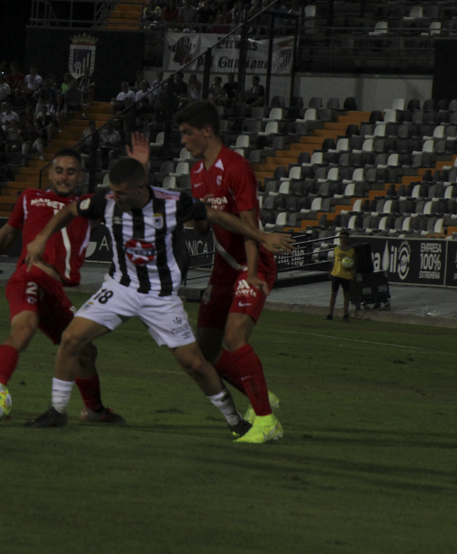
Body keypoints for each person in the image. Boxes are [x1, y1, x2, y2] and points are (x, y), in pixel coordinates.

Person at [23, 157, 292, 440]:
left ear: (141, 188)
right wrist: (42, 237)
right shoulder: (106, 200)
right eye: (112, 191)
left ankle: (235, 421)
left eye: (121, 192)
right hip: (120, 289)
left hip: (160, 297)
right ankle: (57, 410)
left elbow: (217, 216)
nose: (115, 197)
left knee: (196, 365)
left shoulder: (174, 203)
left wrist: (260, 236)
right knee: (71, 338)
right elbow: (70, 210)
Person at [174, 99, 288, 443]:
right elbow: (204, 229)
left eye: (186, 133)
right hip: (223, 268)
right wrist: (195, 218)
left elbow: (250, 227)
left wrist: (252, 275)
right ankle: (260, 396)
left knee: (235, 337)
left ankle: (267, 422)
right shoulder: (196, 173)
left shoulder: (237, 168)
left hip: (253, 263)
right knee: (206, 350)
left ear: (206, 131)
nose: (183, 140)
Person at [0, 150, 122, 423]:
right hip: (29, 277)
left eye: (71, 172)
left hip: (56, 290)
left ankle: (94, 410)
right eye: (59, 170)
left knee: (85, 349)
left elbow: (124, 196)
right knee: (25, 327)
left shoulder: (87, 206)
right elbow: (9, 232)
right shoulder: (30, 197)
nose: (65, 176)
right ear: (50, 173)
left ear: (80, 176)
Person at [326, 230, 355, 320]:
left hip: (346, 276)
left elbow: (354, 263)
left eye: (344, 238)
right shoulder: (336, 249)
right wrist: (331, 271)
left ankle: (345, 314)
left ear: (347, 239)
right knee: (333, 294)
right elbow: (334, 261)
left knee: (346, 296)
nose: (342, 239)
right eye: (341, 237)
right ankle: (330, 314)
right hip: (336, 274)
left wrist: (352, 272)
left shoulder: (351, 251)